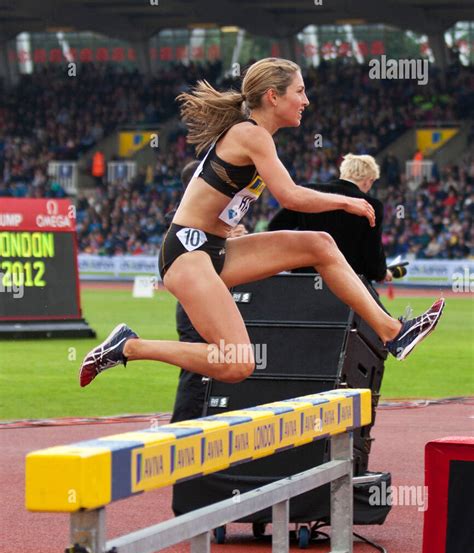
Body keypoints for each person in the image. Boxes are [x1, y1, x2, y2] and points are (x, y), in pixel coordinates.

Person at [79, 57, 444, 389]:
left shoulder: (256, 137)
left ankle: (393, 332)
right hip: (187, 253)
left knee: (319, 244)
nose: (306, 100)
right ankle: (129, 346)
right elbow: (290, 196)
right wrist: (348, 200)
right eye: (300, 91)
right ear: (273, 96)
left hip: (215, 249)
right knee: (238, 364)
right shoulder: (251, 134)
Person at [171, 160, 248, 422]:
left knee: (223, 365)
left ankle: (203, 426)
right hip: (197, 301)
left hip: (213, 298)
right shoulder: (190, 216)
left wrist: (233, 239)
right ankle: (180, 430)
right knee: (197, 371)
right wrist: (229, 240)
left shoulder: (214, 214)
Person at [268, 153, 391, 283]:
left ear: (344, 172)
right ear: (369, 180)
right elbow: (372, 252)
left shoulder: (308, 192)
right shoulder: (371, 206)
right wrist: (380, 273)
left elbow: (276, 227)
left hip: (305, 281)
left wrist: (291, 261)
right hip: (349, 284)